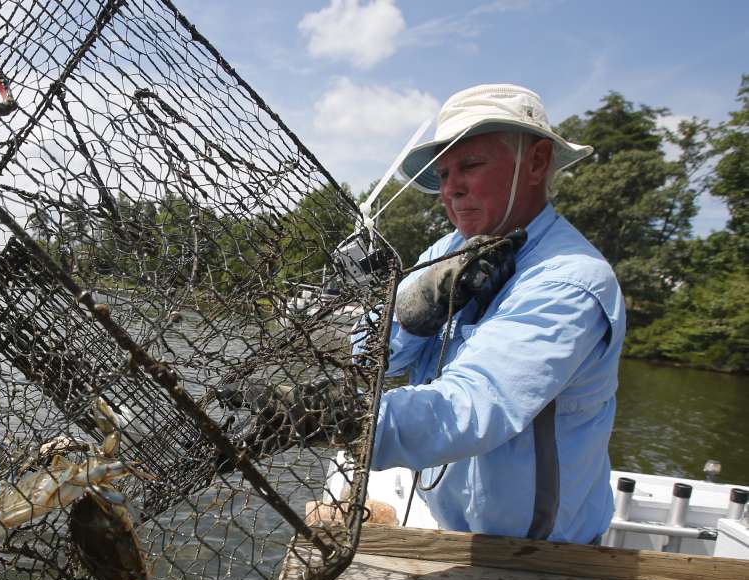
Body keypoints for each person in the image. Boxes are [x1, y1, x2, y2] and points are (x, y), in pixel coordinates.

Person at [221, 84, 625, 545]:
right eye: (444, 173)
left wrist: (325, 416)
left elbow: (475, 407)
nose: (451, 189)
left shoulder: (570, 281)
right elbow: (368, 356)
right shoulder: (445, 249)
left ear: (535, 163)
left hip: (538, 552)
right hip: (446, 524)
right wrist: (418, 308)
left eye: (470, 165)